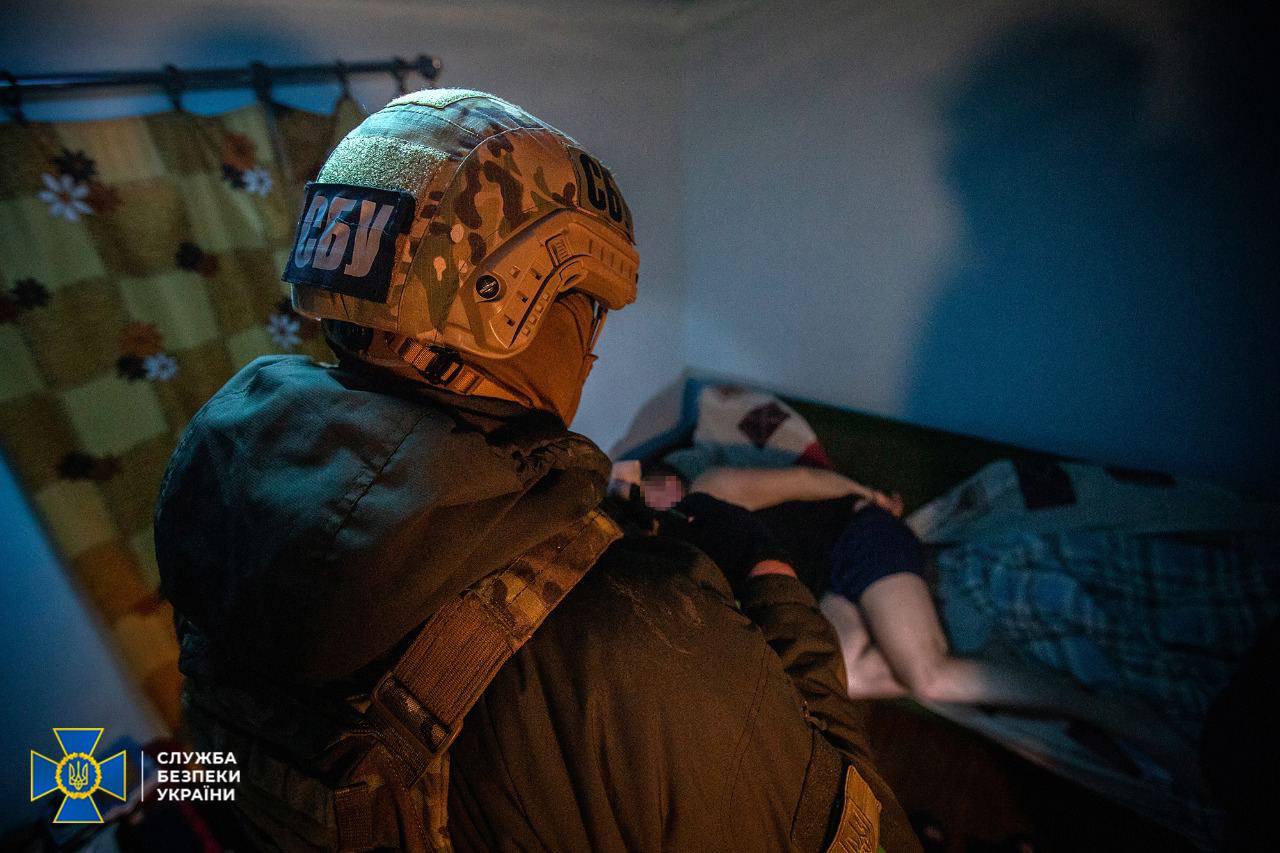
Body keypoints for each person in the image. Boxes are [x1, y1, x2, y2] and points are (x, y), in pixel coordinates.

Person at [154, 89, 920, 852]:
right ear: (511, 302)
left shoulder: (220, 502)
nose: (590, 349)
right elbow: (870, 837)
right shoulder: (635, 635)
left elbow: (233, 773)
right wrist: (770, 574)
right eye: (588, 311)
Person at [683, 467, 1194, 776]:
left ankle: (1104, 709)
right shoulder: (681, 573)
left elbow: (803, 480)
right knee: (843, 676)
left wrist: (869, 495)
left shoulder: (708, 490)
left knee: (927, 677)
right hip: (828, 591)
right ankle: (964, 654)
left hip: (855, 534)